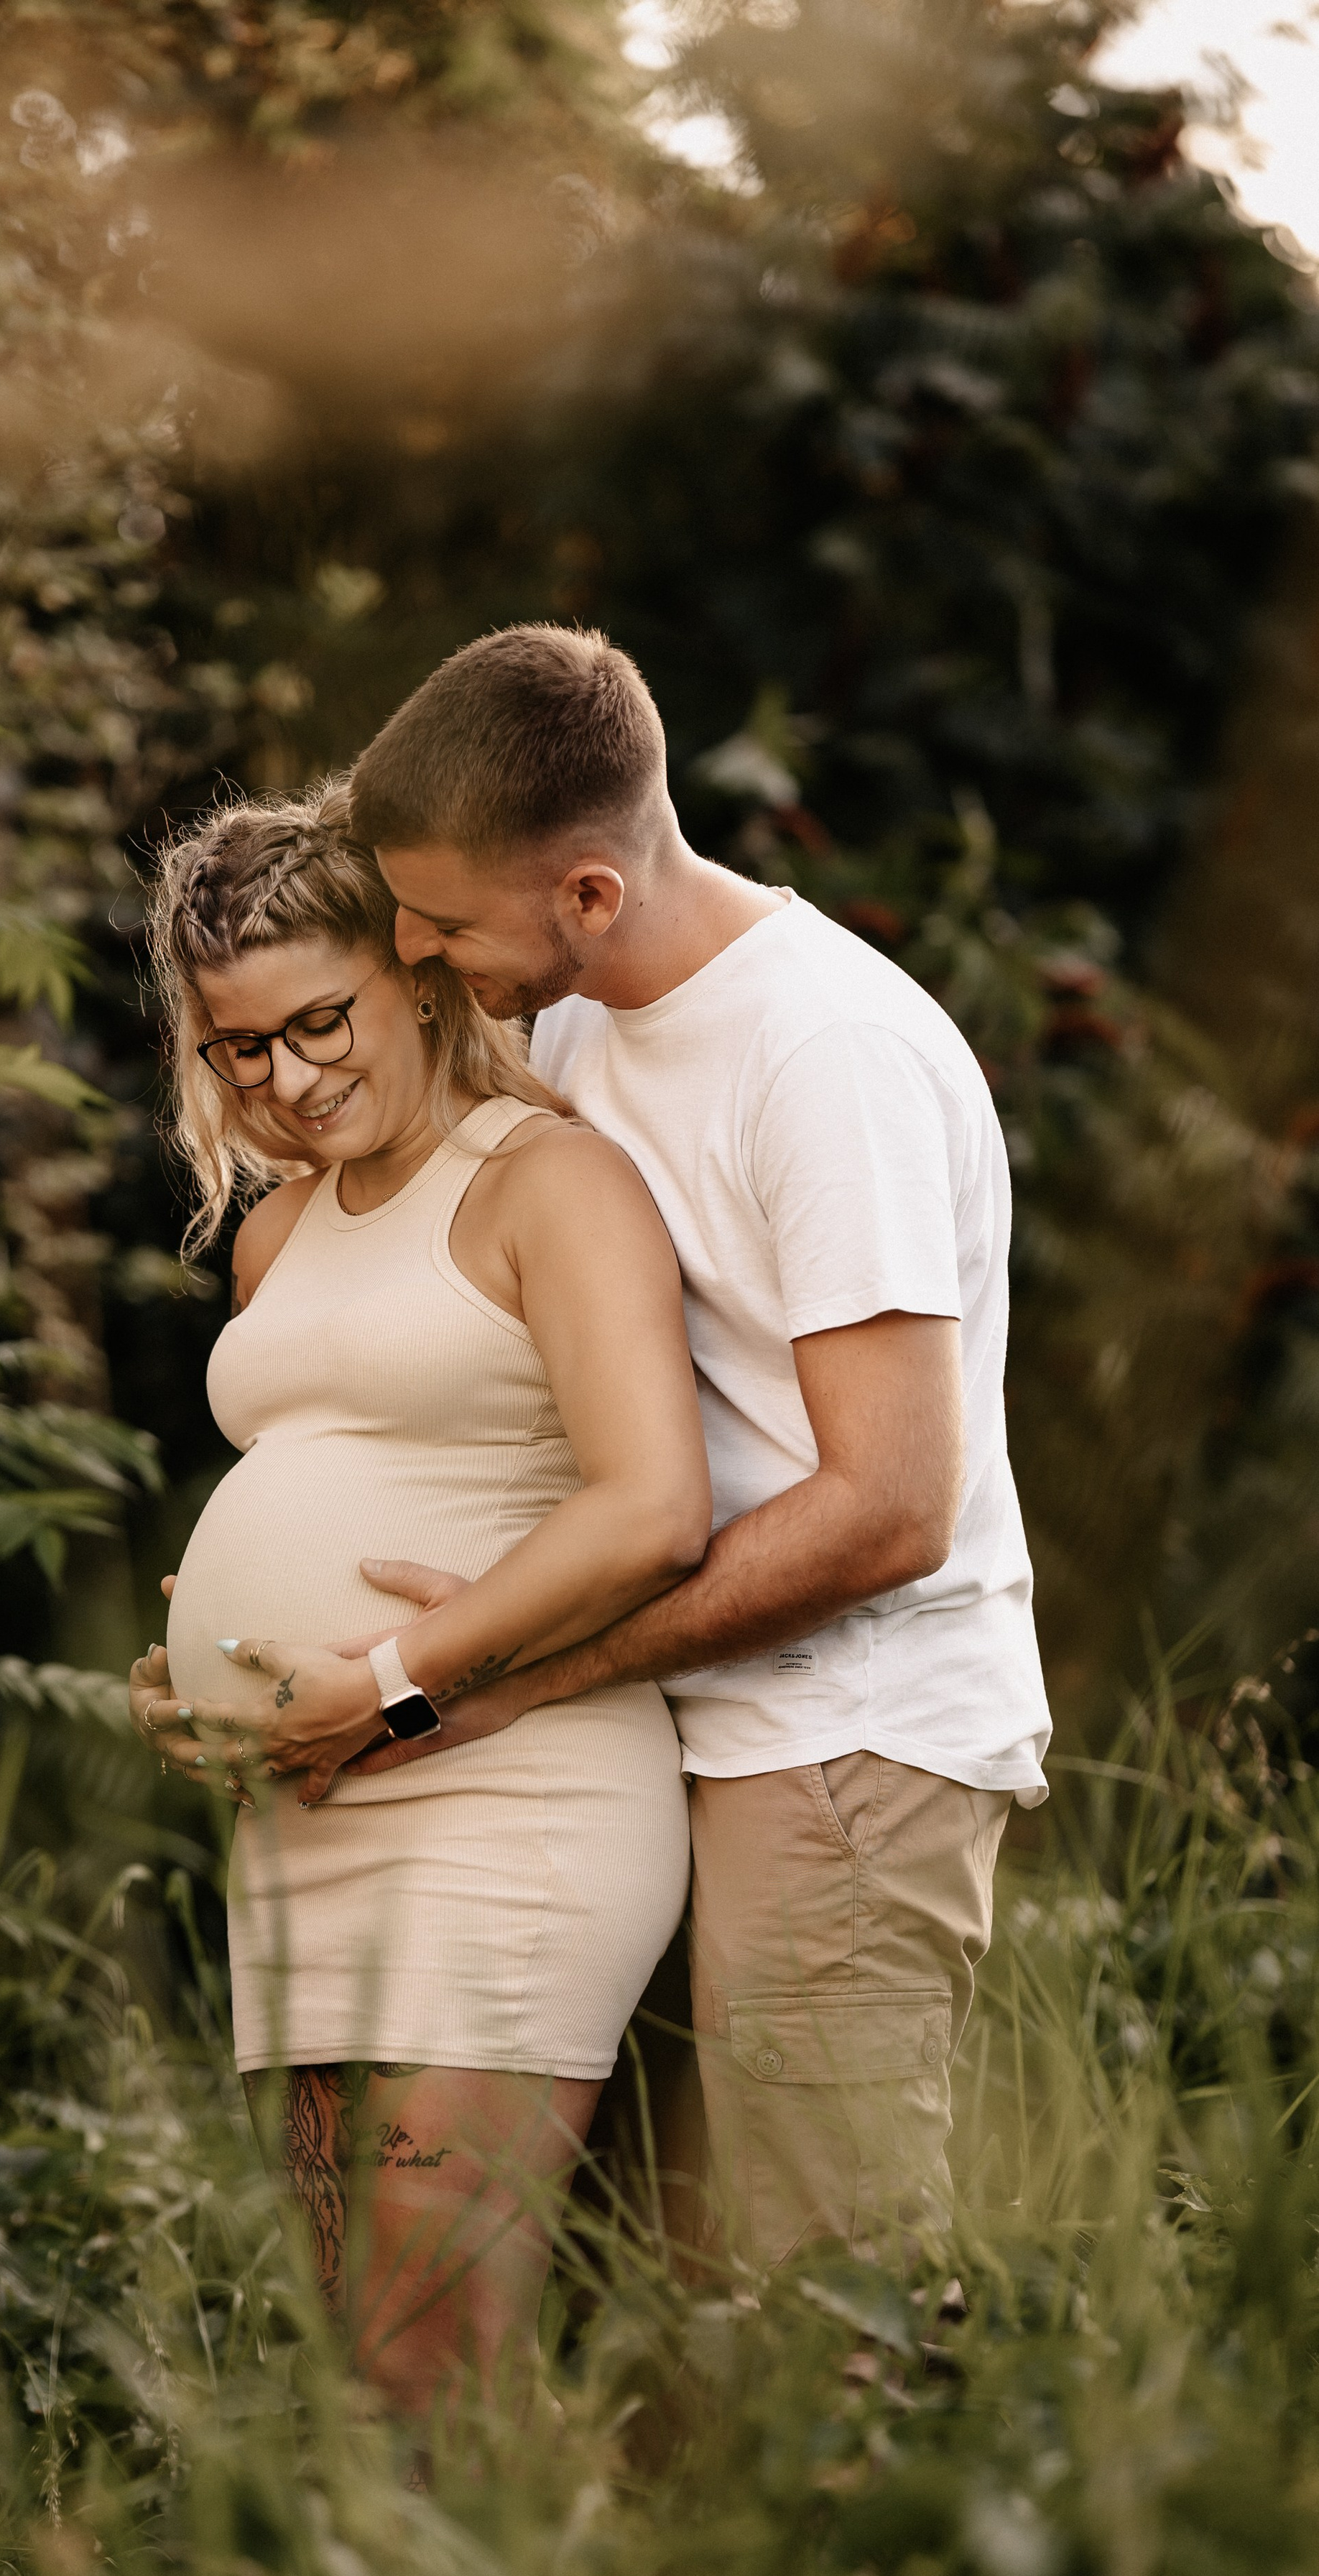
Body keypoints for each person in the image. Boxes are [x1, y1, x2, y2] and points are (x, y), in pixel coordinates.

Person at [144, 625, 1052, 2272]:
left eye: (440, 921)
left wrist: (469, 1680)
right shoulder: (566, 1027)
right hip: (661, 1729)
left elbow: (886, 1510)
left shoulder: (817, 1053)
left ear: (585, 894)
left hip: (832, 1743)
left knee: (814, 2299)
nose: (413, 950)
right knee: (649, 2315)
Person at [135, 775, 707, 2428]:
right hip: (303, 1817)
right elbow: (323, 1478)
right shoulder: (272, 1234)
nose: (289, 1079)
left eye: (320, 1020)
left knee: (423, 2359)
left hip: (499, 1811)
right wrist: (198, 1671)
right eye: (241, 1047)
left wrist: (386, 1676)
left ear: (417, 969)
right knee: (347, 2368)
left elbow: (651, 1508)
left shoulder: (544, 1184)